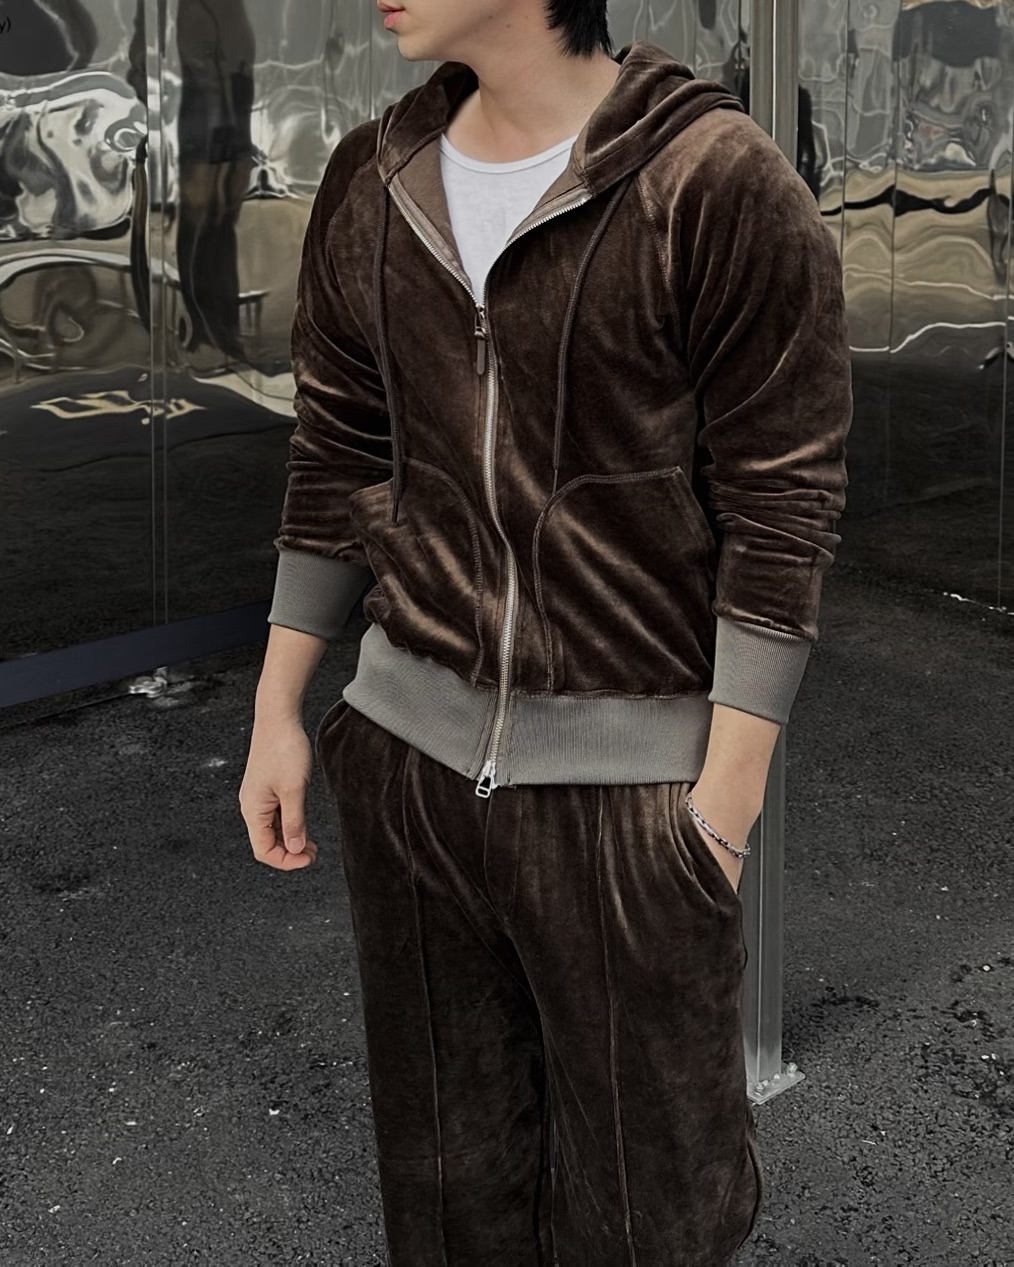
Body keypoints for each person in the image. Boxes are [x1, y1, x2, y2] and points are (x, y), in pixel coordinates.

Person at [239, 2, 852, 1263]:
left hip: (629, 804)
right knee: (448, 1197)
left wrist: (720, 814)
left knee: (653, 1216)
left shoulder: (716, 182)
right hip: (409, 772)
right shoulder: (373, 177)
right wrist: (278, 708)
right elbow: (338, 446)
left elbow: (782, 503)